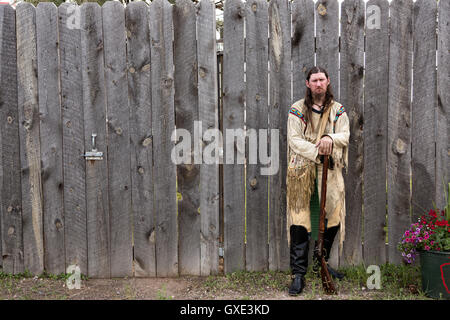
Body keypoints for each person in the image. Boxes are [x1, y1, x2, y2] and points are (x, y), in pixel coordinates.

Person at [286, 66, 350, 295]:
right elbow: (294, 140)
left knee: (332, 215)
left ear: (328, 81)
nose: (318, 84)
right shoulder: (297, 110)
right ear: (308, 84)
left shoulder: (338, 110)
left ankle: (321, 263)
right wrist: (318, 150)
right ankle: (298, 274)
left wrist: (328, 138)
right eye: (314, 80)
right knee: (299, 218)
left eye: (322, 79)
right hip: (302, 172)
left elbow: (345, 135)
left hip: (329, 172)